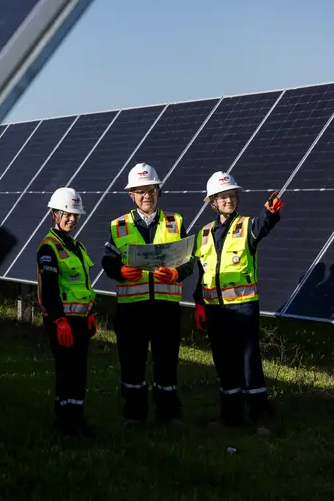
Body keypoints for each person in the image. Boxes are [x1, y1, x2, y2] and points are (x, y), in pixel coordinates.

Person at [101, 163, 193, 425]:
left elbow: (190, 259)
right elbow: (107, 260)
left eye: (150, 190)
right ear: (131, 195)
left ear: (158, 190)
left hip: (166, 307)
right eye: (140, 191)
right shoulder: (118, 226)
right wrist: (120, 270)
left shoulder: (176, 222)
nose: (146, 196)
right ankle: (134, 412)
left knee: (166, 360)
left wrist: (178, 274)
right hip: (132, 308)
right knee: (132, 361)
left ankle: (169, 412)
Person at [192, 171, 283, 437]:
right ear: (213, 202)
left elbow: (263, 225)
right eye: (222, 197)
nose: (228, 200)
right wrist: (199, 303)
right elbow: (202, 272)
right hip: (214, 309)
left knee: (248, 361)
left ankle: (261, 416)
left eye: (231, 195)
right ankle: (230, 416)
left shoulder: (247, 226)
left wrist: (270, 213)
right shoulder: (204, 234)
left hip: (242, 308)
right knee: (223, 361)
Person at [36, 186, 98, 437]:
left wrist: (91, 312)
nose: (71, 219)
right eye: (66, 214)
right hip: (61, 321)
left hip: (81, 320)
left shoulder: (78, 247)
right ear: (55, 215)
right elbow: (49, 290)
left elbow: (83, 285)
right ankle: (64, 423)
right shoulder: (49, 248)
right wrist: (59, 320)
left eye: (75, 215)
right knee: (66, 370)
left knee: (79, 370)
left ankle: (77, 420)